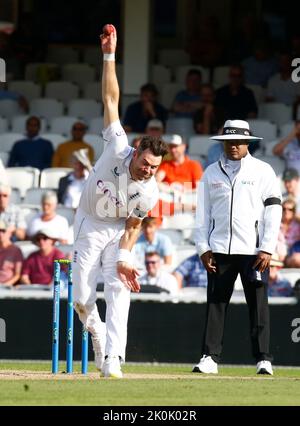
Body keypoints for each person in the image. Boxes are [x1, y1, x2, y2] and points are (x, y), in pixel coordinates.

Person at [72, 25, 168, 379]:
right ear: (137, 150)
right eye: (145, 163)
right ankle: (95, 331)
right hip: (89, 222)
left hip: (117, 231)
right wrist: (109, 55)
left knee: (118, 286)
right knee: (81, 297)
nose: (147, 171)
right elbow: (110, 99)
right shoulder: (116, 145)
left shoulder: (150, 190)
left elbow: (133, 225)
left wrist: (126, 257)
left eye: (154, 168)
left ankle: (114, 357)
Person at [193, 119, 282, 375]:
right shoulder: (210, 172)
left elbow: (273, 211)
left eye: (238, 141)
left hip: (254, 252)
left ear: (248, 143)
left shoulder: (263, 171)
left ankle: (264, 359)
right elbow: (202, 214)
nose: (233, 146)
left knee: (258, 304)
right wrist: (202, 247)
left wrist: (267, 247)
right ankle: (209, 358)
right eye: (228, 141)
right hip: (219, 250)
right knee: (216, 304)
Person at [0, 219, 23, 287]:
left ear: (10, 233)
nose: (0, 234)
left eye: (3, 231)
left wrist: (5, 286)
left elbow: (17, 275)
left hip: (8, 288)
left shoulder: (16, 250)